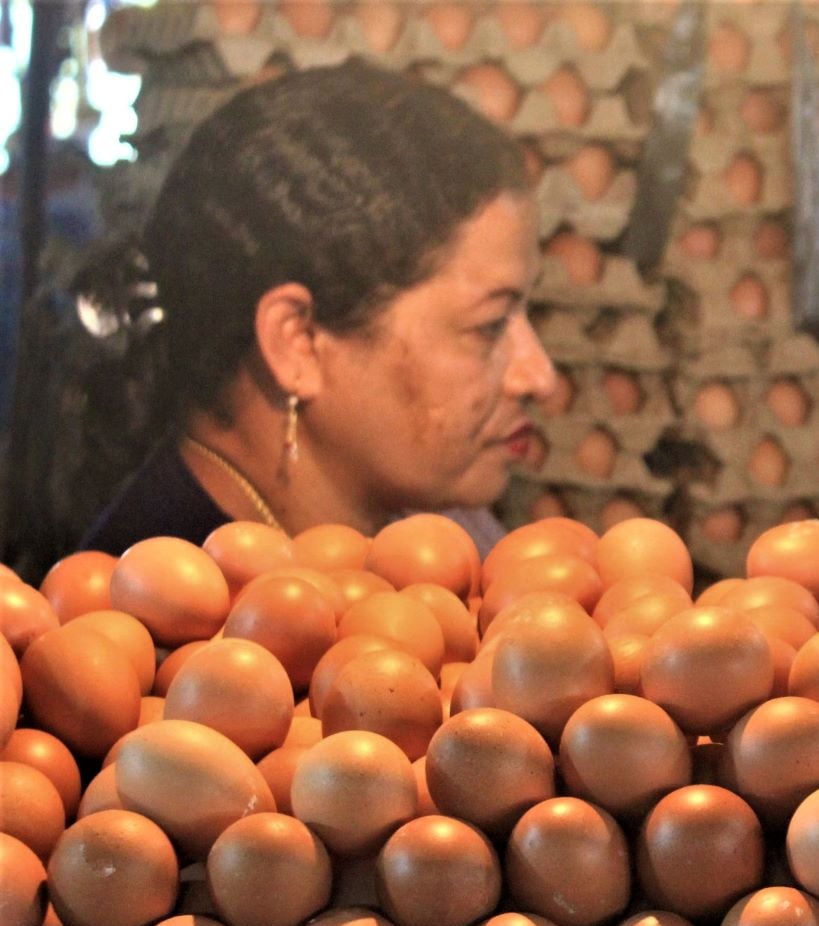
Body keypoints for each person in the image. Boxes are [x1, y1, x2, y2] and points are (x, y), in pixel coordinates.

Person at [76, 61, 556, 555]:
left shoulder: (432, 528)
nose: (539, 377)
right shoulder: (167, 616)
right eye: (489, 326)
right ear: (297, 342)